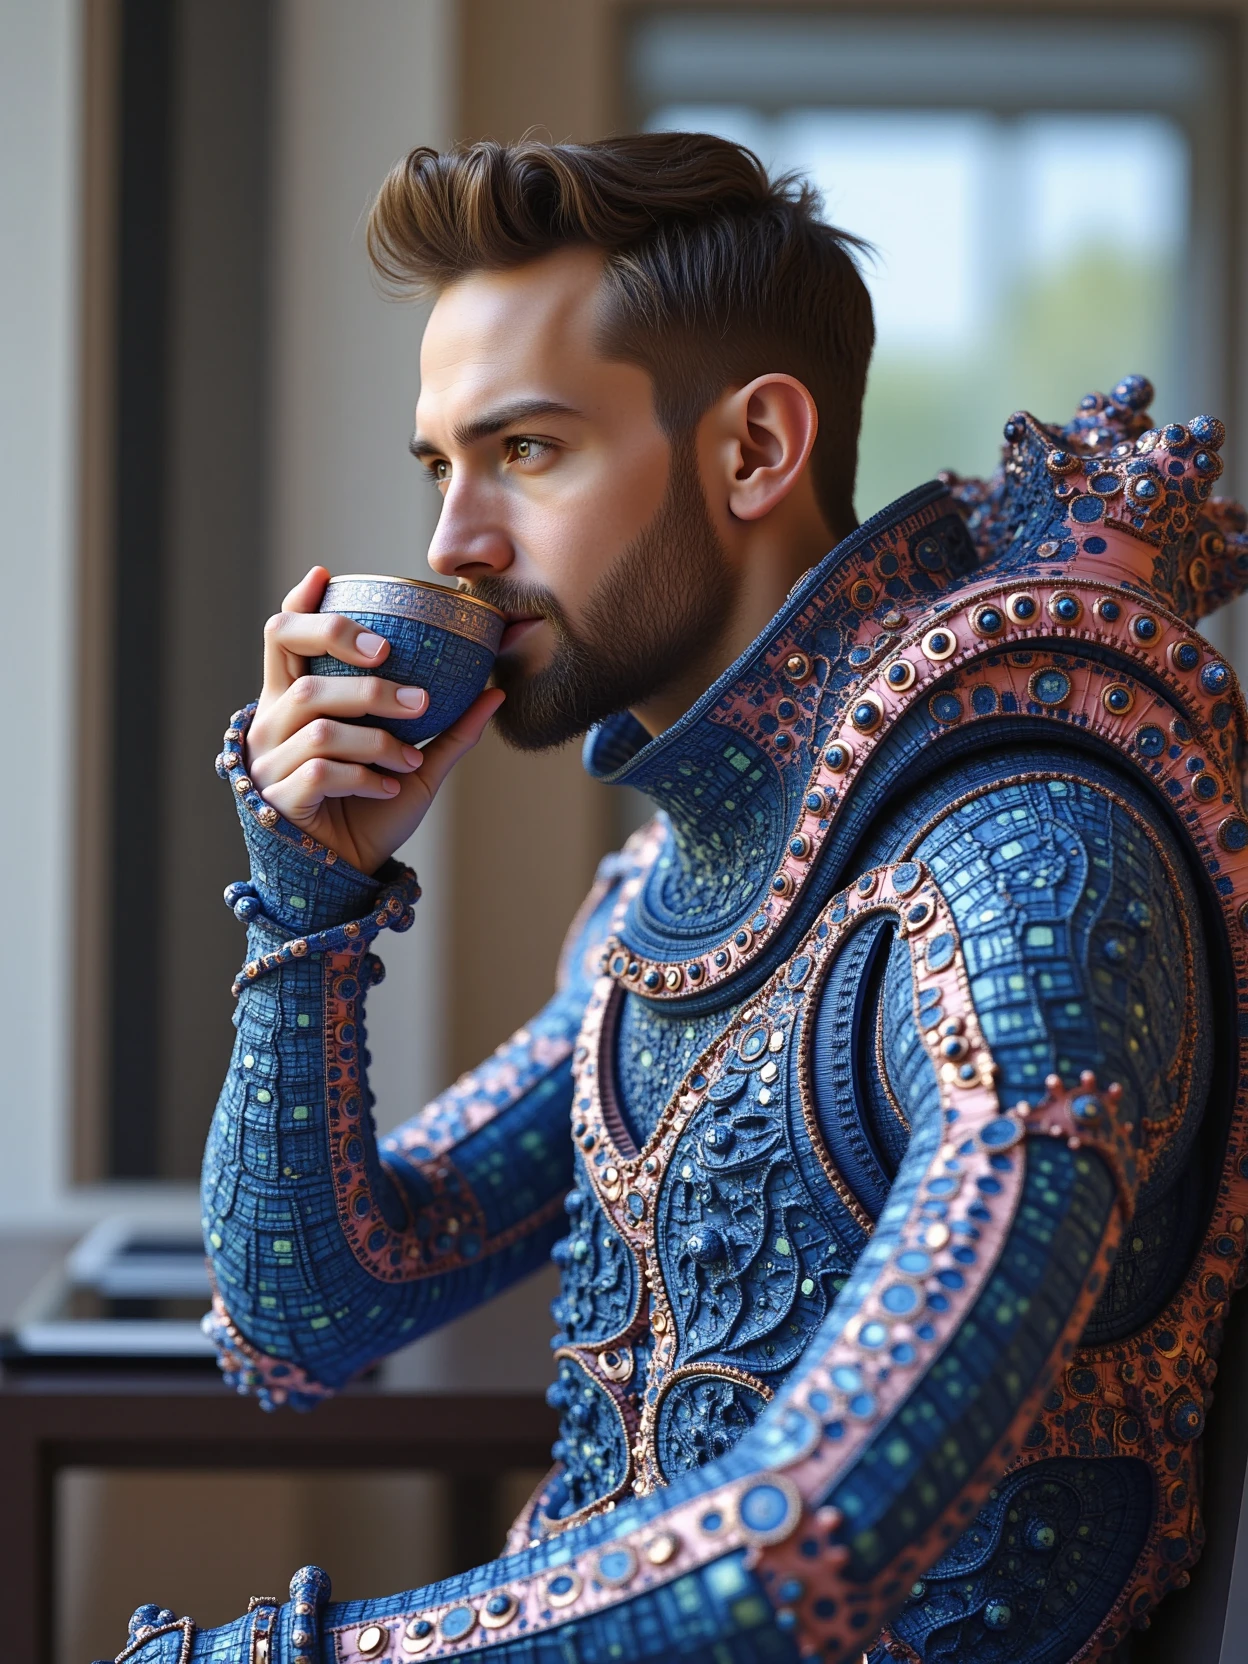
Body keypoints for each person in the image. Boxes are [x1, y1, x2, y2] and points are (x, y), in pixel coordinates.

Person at [114, 134, 1248, 1664]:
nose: (453, 546)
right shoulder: (672, 883)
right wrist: (311, 893)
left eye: (524, 453)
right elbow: (300, 1313)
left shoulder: (1022, 862)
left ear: (753, 451)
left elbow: (813, 1536)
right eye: (439, 468)